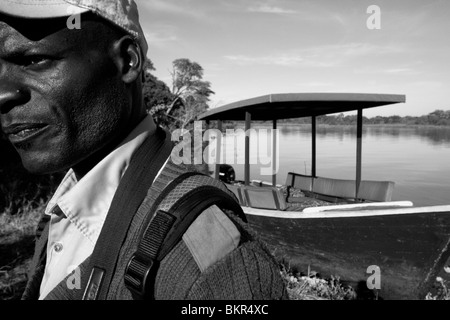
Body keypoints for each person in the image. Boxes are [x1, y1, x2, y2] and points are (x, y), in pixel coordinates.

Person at [0, 0, 288, 300]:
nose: (3, 92)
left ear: (126, 61)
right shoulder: (63, 208)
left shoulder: (209, 261)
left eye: (34, 60)